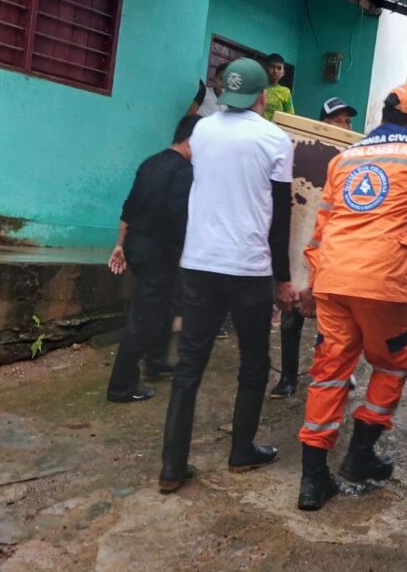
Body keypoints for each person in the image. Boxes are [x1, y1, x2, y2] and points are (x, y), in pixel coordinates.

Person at [296, 83, 407, 511]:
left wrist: (313, 280)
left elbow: (322, 224)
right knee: (396, 358)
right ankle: (361, 453)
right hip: (380, 278)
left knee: (329, 370)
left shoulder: (346, 155)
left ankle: (312, 480)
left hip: (332, 273)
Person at [158, 58, 296, 493]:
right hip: (248, 268)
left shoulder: (201, 130)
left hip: (199, 263)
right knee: (254, 362)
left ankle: (171, 466)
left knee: (189, 366)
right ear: (262, 96)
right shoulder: (275, 137)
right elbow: (281, 217)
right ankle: (241, 449)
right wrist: (283, 277)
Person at [105, 115, 202, 403]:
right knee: (144, 316)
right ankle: (121, 386)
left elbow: (129, 205)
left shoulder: (150, 163)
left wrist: (120, 244)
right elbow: (179, 217)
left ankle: (156, 361)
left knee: (168, 301)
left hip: (137, 245)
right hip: (159, 251)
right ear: (191, 140)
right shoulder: (185, 172)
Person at [269, 96, 358, 399]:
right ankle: (289, 378)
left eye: (347, 121)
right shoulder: (299, 148)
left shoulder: (354, 158)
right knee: (292, 313)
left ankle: (337, 373)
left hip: (334, 247)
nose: (344, 125)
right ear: (323, 122)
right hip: (300, 240)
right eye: (337, 120)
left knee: (333, 320)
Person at [263, 53, 294, 121]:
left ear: (283, 73)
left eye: (279, 68)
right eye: (272, 67)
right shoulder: (259, 87)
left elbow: (290, 116)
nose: (275, 71)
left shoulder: (285, 92)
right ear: (266, 68)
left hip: (276, 129)